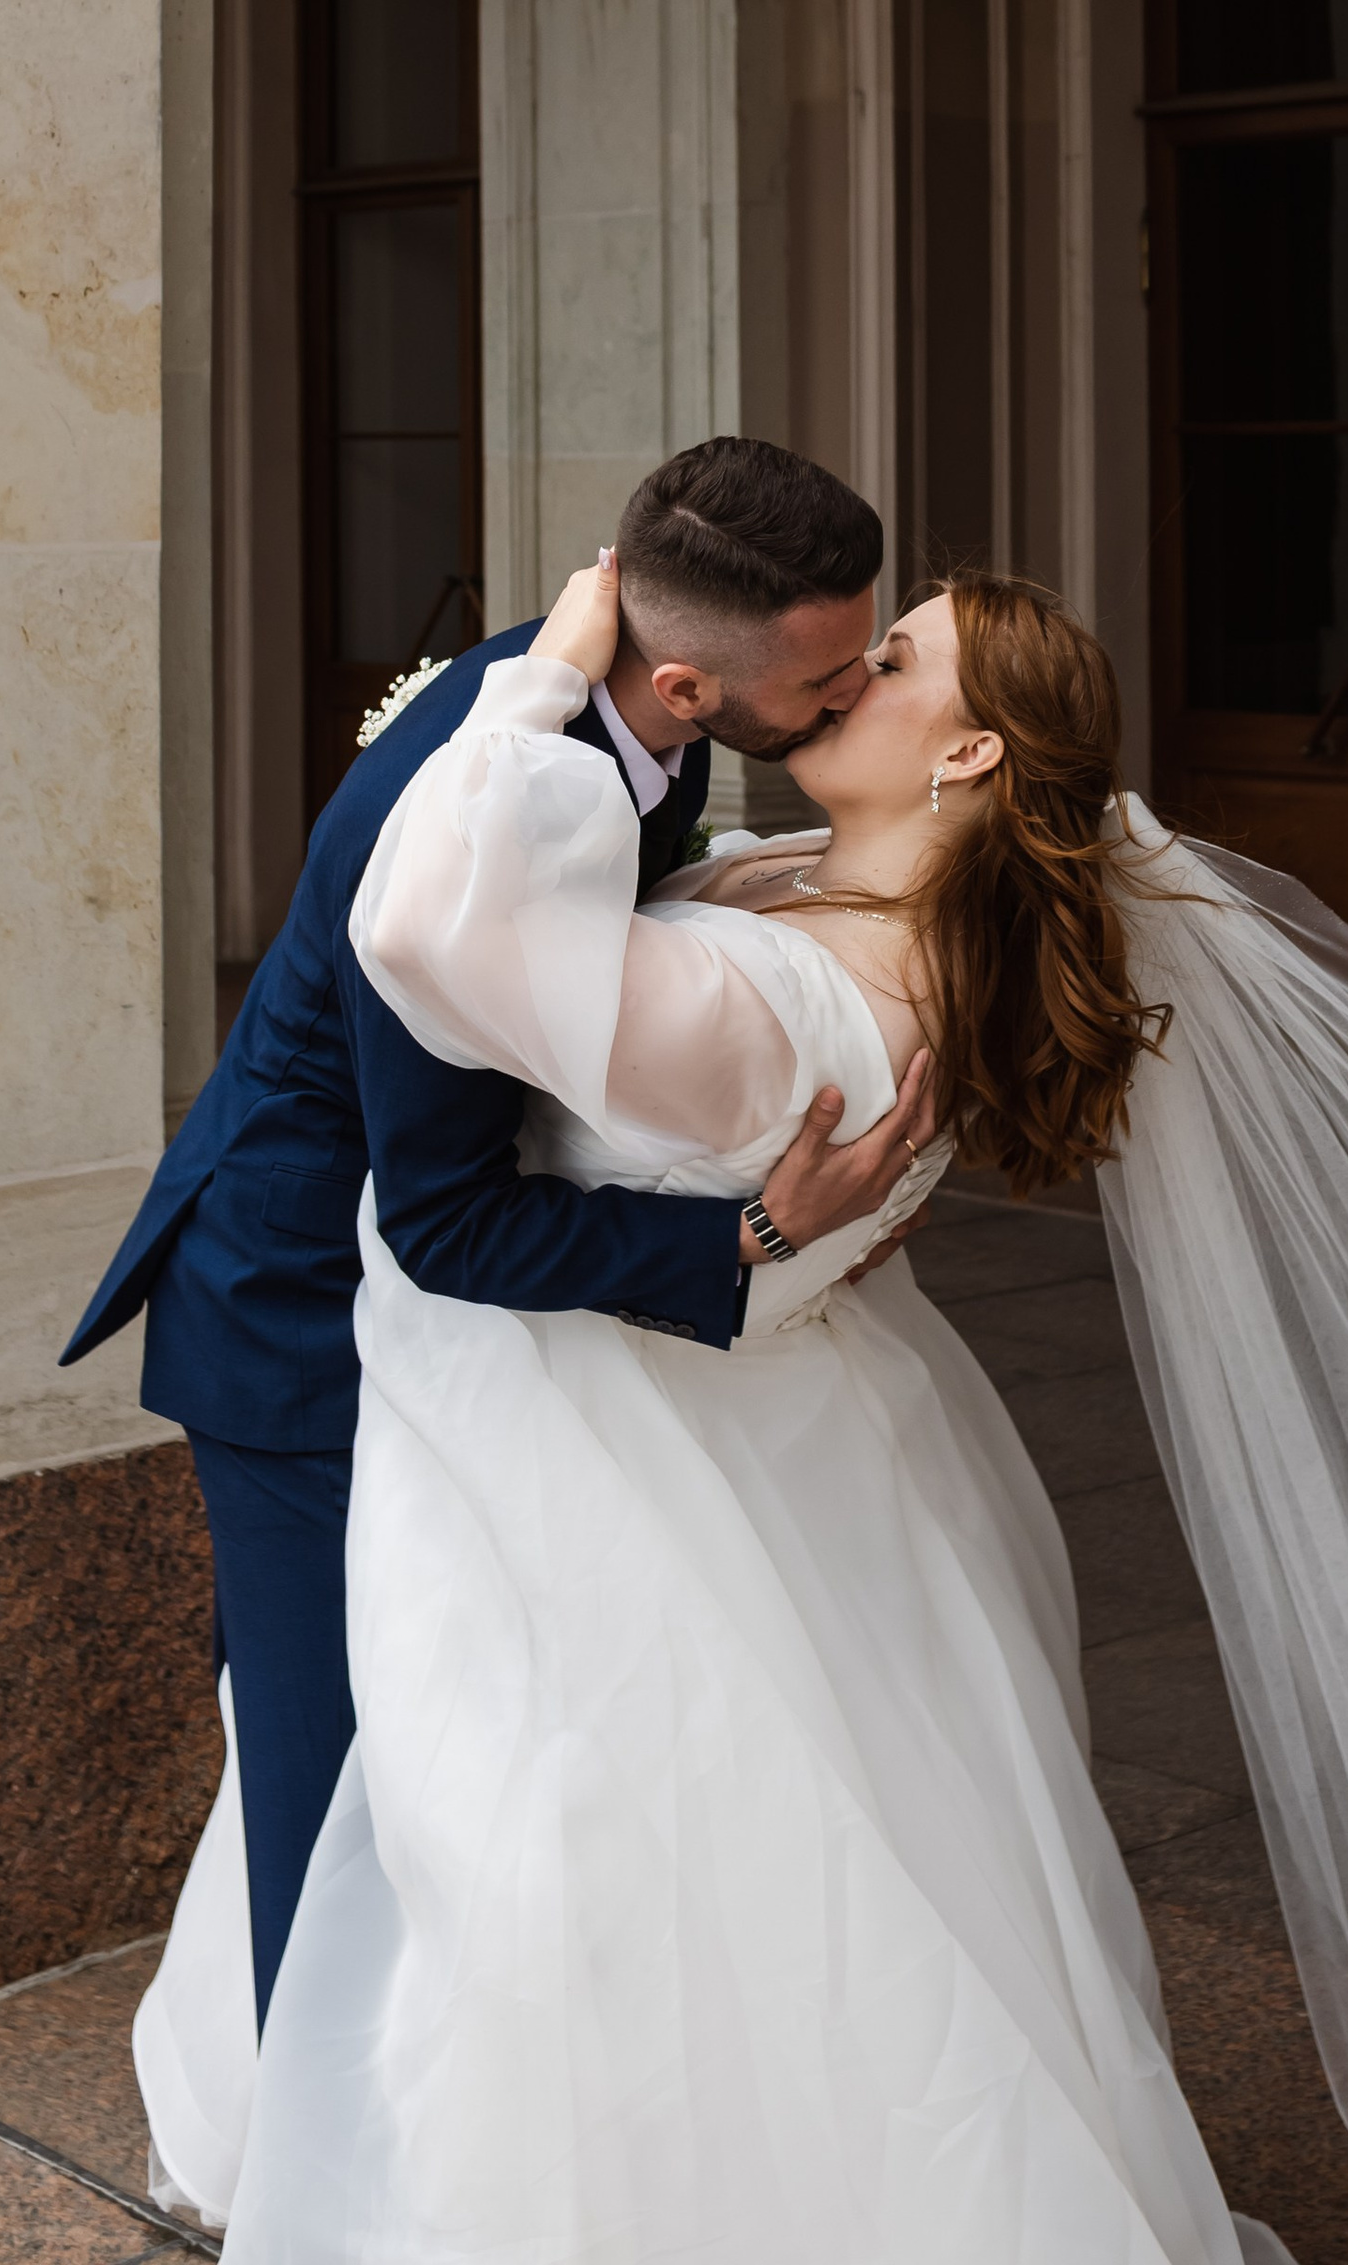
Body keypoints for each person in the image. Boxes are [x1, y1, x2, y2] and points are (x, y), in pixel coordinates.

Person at [136, 558, 1348, 2265]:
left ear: (966, 756)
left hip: (631, 1447)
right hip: (716, 1421)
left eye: (889, 663)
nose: (839, 685)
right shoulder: (797, 885)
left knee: (586, 1857)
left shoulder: (814, 1004)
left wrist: (535, 682)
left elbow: (432, 932)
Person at [61, 439, 936, 2031]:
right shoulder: (479, 808)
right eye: (824, 676)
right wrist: (743, 1234)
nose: (853, 690)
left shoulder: (612, 713)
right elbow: (452, 1221)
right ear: (683, 681)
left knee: (464, 1767)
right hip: (301, 1314)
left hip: (435, 1319)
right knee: (333, 1793)